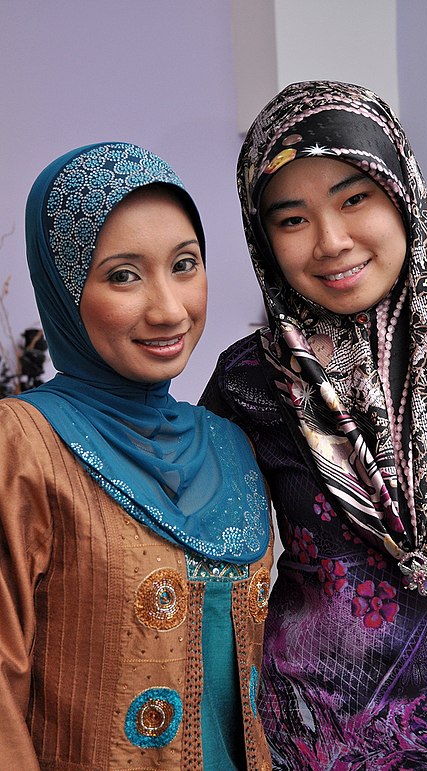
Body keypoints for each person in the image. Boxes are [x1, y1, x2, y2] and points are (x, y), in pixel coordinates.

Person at [201, 81, 427, 769]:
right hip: (328, 746)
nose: (331, 241)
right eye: (291, 219)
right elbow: (196, 563)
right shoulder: (251, 381)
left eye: (353, 197)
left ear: (400, 189)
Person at [0, 141, 273, 770]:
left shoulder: (231, 442)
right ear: (65, 287)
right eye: (123, 274)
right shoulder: (23, 444)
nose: (169, 308)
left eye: (185, 264)